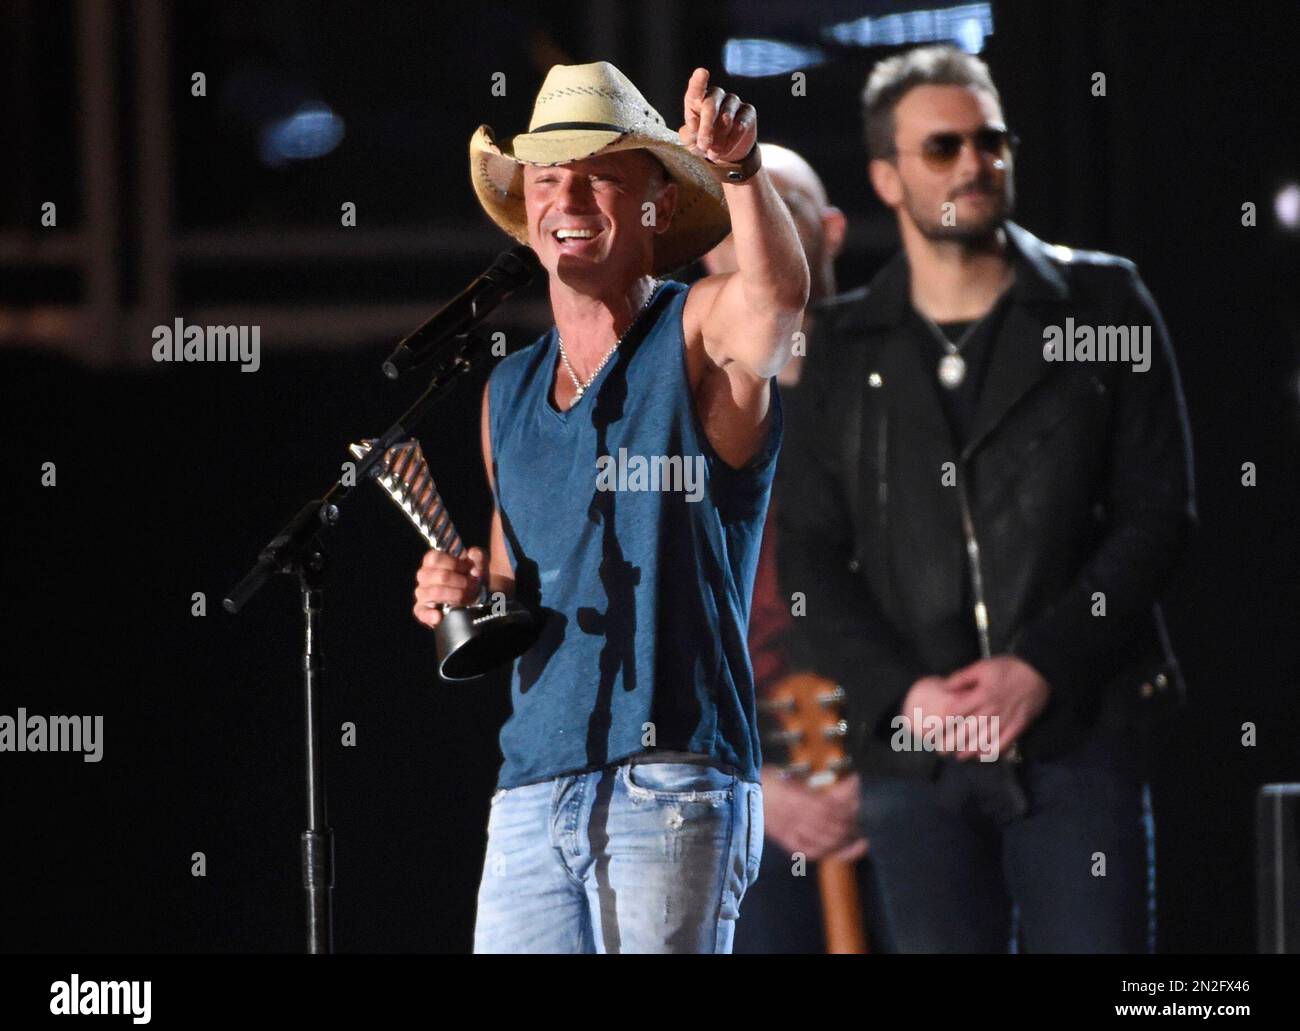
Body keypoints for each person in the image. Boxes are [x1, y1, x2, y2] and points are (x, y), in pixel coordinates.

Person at [778, 45, 1195, 953]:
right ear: (887, 177)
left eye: (991, 140)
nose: (976, 163)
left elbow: (1159, 511)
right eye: (944, 148)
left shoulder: (1101, 302)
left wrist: (1040, 665)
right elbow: (809, 551)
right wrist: (903, 692)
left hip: (1076, 733)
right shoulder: (848, 346)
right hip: (912, 757)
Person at [413, 60, 808, 953]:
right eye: (548, 179)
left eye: (600, 175)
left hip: (671, 779)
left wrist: (740, 170)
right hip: (530, 784)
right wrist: (461, 589)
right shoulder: (505, 392)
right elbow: (514, 580)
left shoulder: (696, 328)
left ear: (657, 207)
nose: (569, 196)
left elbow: (778, 302)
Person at [700, 144, 878, 953]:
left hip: (906, 758)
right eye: (738, 205)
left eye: (782, 201)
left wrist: (894, 758)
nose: (758, 227)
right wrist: (758, 783)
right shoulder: (683, 412)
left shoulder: (897, 387)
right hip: (742, 776)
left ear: (831, 230)